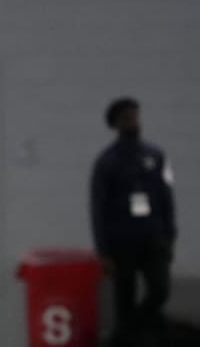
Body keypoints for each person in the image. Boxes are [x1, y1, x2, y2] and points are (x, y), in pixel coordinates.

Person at [90, 97, 177, 346]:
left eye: (135, 116)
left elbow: (167, 197)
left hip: (153, 237)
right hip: (122, 241)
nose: (133, 122)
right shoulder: (105, 162)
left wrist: (170, 235)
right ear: (116, 124)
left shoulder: (158, 156)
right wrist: (103, 251)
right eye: (127, 118)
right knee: (124, 300)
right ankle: (127, 336)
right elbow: (98, 209)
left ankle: (127, 333)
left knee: (160, 291)